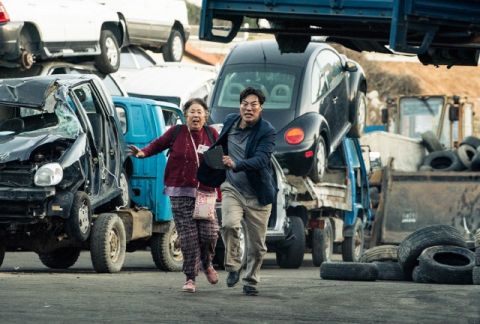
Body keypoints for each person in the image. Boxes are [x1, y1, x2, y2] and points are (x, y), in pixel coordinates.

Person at [128, 98, 219, 293]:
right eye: (192, 112)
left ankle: (207, 263)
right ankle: (190, 278)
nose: (195, 115)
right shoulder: (176, 132)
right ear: (185, 115)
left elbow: (222, 157)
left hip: (205, 192)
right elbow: (158, 144)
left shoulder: (212, 135)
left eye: (199, 112)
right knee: (188, 236)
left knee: (209, 233)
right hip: (179, 190)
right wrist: (143, 153)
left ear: (205, 116)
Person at [197, 87, 276, 296]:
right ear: (240, 106)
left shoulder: (266, 131)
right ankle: (233, 266)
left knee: (257, 247)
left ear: (261, 108)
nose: (248, 108)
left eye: (254, 105)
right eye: (245, 104)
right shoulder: (231, 121)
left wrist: (237, 163)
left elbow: (262, 159)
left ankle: (250, 280)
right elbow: (216, 139)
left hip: (258, 194)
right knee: (229, 224)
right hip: (232, 188)